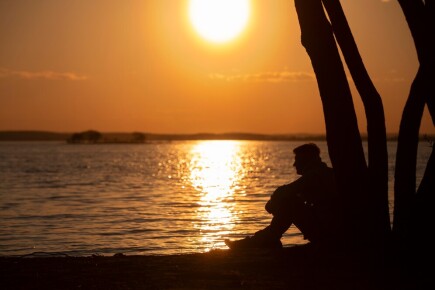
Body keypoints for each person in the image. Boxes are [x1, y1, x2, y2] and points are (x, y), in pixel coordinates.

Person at [225, 143, 339, 250]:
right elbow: (287, 192)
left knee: (289, 203)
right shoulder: (323, 173)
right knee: (288, 204)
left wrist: (273, 203)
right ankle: (265, 238)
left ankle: (264, 240)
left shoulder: (315, 175)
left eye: (297, 160)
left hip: (328, 235)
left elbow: (284, 192)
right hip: (328, 232)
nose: (294, 164)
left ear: (307, 161)